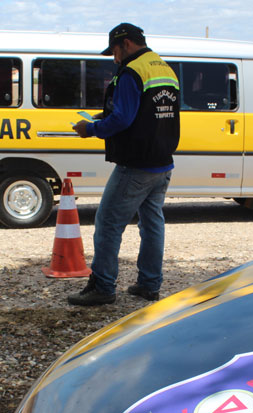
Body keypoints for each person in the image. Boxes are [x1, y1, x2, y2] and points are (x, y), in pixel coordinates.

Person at [67, 23, 180, 306]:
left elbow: (123, 120)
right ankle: (149, 285)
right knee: (152, 224)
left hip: (136, 164)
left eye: (115, 52)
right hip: (162, 162)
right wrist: (105, 117)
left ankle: (103, 287)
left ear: (126, 43)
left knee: (107, 223)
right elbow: (148, 112)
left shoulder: (131, 71)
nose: (115, 58)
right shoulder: (164, 68)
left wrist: (91, 128)